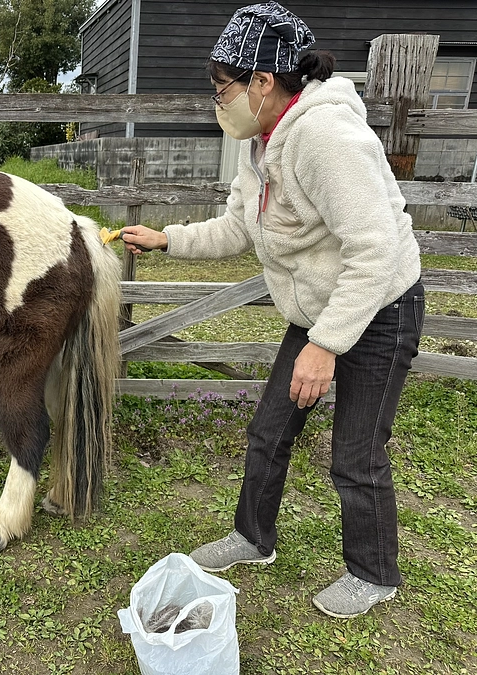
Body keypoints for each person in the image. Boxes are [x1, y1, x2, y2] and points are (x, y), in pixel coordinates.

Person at [120, 0, 424, 619]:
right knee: (269, 430)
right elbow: (239, 227)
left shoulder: (324, 137)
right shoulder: (263, 142)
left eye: (221, 85)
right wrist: (169, 239)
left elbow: (375, 247)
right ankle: (253, 538)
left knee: (356, 451)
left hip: (380, 306)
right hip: (319, 308)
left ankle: (373, 573)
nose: (216, 98)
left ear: (262, 81)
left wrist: (326, 345)